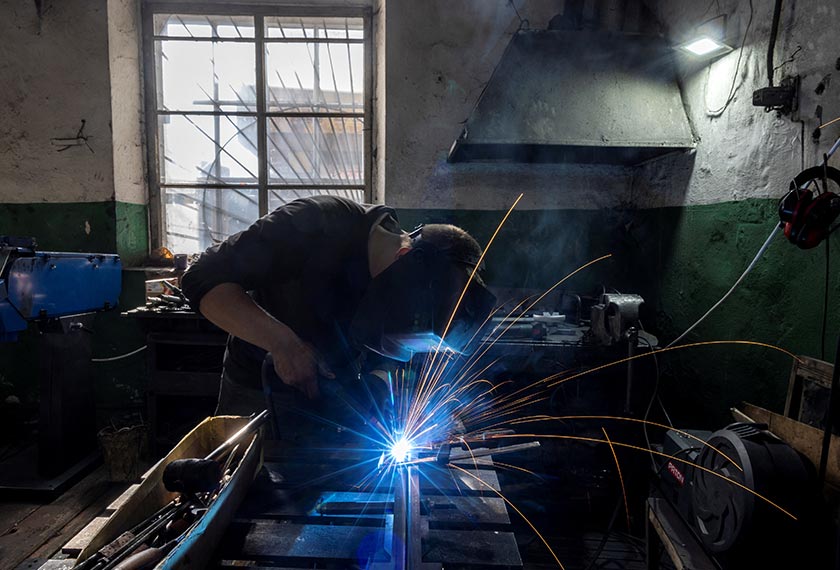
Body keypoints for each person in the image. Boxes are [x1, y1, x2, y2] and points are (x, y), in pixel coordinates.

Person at [181, 195, 492, 418]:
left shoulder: (411, 292)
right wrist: (282, 343)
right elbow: (201, 277)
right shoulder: (316, 223)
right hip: (257, 393)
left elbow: (396, 357)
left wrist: (381, 391)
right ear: (403, 257)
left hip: (334, 396)